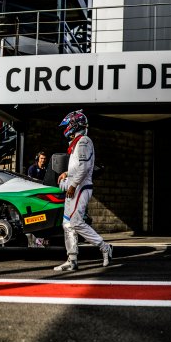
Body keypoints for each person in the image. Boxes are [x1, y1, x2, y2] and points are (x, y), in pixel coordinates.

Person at [54, 109, 113, 272]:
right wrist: (67, 173)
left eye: (68, 125)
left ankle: (105, 247)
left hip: (80, 188)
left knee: (76, 222)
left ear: (74, 125)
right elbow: (78, 166)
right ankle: (72, 260)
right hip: (75, 187)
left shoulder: (83, 141)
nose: (66, 129)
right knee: (67, 225)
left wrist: (72, 185)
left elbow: (85, 167)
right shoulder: (78, 142)